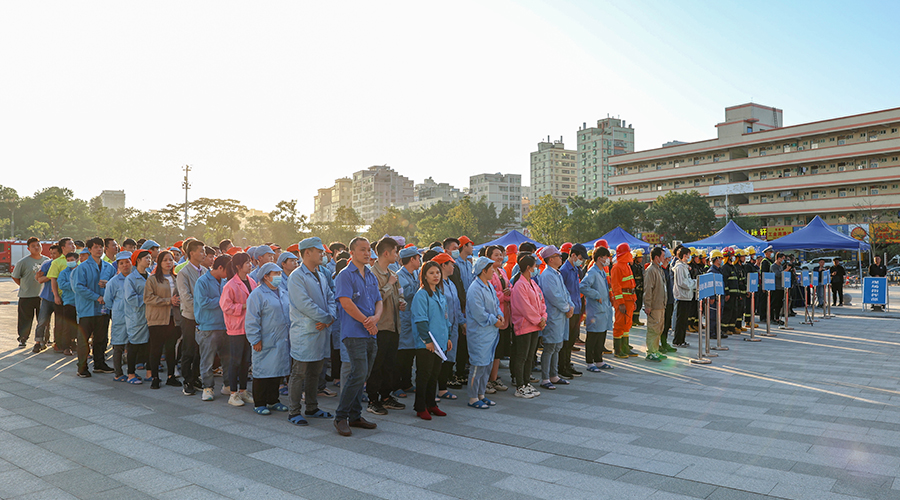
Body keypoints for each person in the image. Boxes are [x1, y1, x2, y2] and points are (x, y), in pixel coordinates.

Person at [333, 237, 382, 436]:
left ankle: (355, 415)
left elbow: (379, 301)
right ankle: (341, 417)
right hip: (354, 332)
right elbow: (346, 303)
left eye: (369, 249)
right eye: (362, 249)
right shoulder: (345, 275)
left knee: (364, 375)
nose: (367, 253)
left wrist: (375, 318)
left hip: (370, 331)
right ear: (352, 252)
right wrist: (366, 322)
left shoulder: (370, 275)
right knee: (358, 373)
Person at [287, 237, 337, 426]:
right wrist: (325, 318)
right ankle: (293, 411)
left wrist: (330, 317)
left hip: (321, 330)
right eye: (319, 251)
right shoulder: (297, 276)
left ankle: (311, 407)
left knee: (315, 372)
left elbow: (331, 297)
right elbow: (304, 304)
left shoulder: (320, 275)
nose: (323, 254)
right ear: (307, 252)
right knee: (299, 372)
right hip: (305, 332)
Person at [365, 237, 406, 416]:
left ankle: (386, 396)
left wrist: (402, 302)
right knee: (377, 365)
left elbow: (399, 295)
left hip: (393, 325)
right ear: (386, 253)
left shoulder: (392, 273)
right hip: (380, 327)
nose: (397, 255)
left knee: (390, 364)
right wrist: (389, 285)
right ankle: (372, 399)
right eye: (396, 252)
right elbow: (375, 299)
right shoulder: (371, 274)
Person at [245, 262, 292, 415]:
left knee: (277, 370)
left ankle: (273, 400)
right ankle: (259, 403)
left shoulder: (283, 292)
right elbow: (252, 319)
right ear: (266, 276)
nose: (279, 277)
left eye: (280, 274)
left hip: (281, 338)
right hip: (265, 339)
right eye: (275, 274)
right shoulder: (257, 294)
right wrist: (255, 339)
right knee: (262, 372)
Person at [410, 260, 452, 420]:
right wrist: (427, 340)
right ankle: (420, 407)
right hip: (427, 343)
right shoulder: (421, 295)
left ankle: (431, 404)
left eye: (438, 272)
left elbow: (445, 318)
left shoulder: (440, 294)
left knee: (434, 375)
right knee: (424, 375)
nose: (436, 276)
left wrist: (448, 337)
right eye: (431, 273)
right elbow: (420, 320)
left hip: (440, 341)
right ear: (424, 276)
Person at [71, 237, 116, 377]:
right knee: (83, 340)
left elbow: (115, 285)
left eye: (101, 247)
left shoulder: (109, 267)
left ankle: (99, 364)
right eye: (95, 247)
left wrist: (107, 285)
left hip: (103, 309)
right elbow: (78, 287)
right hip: (87, 309)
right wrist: (96, 297)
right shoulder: (82, 267)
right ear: (89, 249)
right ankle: (82, 367)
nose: (99, 249)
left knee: (101, 339)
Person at [465, 256, 503, 409]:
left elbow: (496, 304)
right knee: (478, 366)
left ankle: (481, 394)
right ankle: (473, 397)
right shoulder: (475, 288)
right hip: (480, 334)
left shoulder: (489, 285)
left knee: (487, 365)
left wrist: (500, 315)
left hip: (491, 333)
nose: (494, 271)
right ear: (483, 270)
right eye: (491, 269)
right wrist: (494, 320)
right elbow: (478, 313)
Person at [220, 252, 256, 406]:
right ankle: (233, 393)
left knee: (245, 362)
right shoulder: (230, 285)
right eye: (247, 263)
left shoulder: (251, 281)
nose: (250, 265)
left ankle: (243, 390)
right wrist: (243, 306)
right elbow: (225, 306)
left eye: (250, 262)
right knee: (235, 361)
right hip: (236, 328)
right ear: (238, 266)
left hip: (249, 327)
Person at [537, 245, 574, 390]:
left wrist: (570, 306)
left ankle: (554, 375)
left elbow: (565, 293)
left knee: (557, 345)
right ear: (551, 259)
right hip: (553, 316)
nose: (560, 258)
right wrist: (566, 308)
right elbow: (554, 296)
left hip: (561, 315)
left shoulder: (556, 274)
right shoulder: (547, 275)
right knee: (550, 347)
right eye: (558, 256)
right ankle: (545, 378)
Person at [144, 250, 182, 389]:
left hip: (173, 318)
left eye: (170, 260)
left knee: (171, 349)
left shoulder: (176, 278)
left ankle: (171, 376)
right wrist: (168, 301)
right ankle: (155, 377)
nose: (168, 262)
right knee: (156, 348)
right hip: (157, 318)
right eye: (165, 260)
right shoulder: (153, 279)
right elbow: (148, 298)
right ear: (159, 262)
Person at [194, 255, 231, 401]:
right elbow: (203, 302)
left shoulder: (225, 281)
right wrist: (224, 301)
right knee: (207, 360)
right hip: (208, 326)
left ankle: (228, 385)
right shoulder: (202, 281)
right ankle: (207, 387)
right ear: (220, 267)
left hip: (225, 325)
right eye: (228, 270)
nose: (229, 273)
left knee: (227, 359)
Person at [510, 255, 545, 397]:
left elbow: (541, 302)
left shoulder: (533, 283)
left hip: (535, 325)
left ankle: (526, 382)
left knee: (530, 356)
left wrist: (543, 317)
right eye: (535, 266)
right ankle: (520, 386)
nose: (536, 269)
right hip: (524, 326)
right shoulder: (519, 285)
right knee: (522, 356)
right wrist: (538, 319)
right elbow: (525, 307)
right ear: (528, 268)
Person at [176, 240, 207, 395]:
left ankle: (195, 377)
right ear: (192, 253)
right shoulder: (184, 273)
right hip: (190, 317)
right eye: (201, 251)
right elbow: (186, 298)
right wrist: (201, 310)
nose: (204, 254)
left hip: (204, 318)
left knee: (200, 350)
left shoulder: (206, 271)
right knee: (189, 350)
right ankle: (187, 380)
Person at [12, 237, 49, 348]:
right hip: (26, 296)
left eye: (38, 245)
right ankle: (23, 338)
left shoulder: (47, 261)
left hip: (42, 296)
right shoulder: (23, 262)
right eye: (33, 246)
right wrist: (23, 286)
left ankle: (44, 339)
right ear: (28, 249)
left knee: (43, 320)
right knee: (25, 319)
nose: (36, 248)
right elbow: (15, 276)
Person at [580, 248, 614, 371]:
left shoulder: (602, 271)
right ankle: (590, 362)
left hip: (603, 309)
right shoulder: (593, 272)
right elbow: (583, 286)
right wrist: (596, 295)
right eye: (606, 257)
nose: (608, 260)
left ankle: (599, 360)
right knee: (593, 336)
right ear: (599, 258)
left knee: (601, 335)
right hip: (595, 310)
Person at [433, 252, 461, 401]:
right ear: (443, 265)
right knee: (439, 358)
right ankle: (436, 389)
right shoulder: (437, 285)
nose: (453, 267)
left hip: (453, 326)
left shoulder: (451, 284)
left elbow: (456, 305)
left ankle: (443, 388)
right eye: (451, 264)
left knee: (450, 357)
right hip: (441, 327)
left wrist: (461, 321)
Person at [395, 246, 421, 398]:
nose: (419, 261)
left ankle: (407, 383)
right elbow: (405, 294)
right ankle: (396, 385)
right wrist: (419, 285)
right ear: (412, 259)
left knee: (410, 353)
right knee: (402, 354)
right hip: (404, 319)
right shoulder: (400, 276)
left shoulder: (414, 274)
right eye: (418, 258)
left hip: (412, 318)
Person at [486, 245, 512, 393]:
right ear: (489, 257)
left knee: (499, 350)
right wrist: (505, 296)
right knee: (491, 350)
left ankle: (494, 378)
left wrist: (509, 292)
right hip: (494, 315)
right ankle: (487, 380)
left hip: (505, 315)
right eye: (496, 255)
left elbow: (509, 287)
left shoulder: (502, 271)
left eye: (501, 254)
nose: (500, 257)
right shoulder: (487, 273)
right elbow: (491, 295)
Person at [103, 251, 132, 381]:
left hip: (135, 317)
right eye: (121, 263)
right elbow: (107, 300)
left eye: (127, 262)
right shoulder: (113, 282)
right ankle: (118, 373)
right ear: (118, 266)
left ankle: (131, 372)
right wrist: (118, 309)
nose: (125, 265)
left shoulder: (137, 278)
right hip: (120, 317)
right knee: (118, 345)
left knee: (132, 345)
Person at [559, 243, 587, 378]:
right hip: (568, 311)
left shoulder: (576, 269)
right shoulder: (564, 270)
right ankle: (562, 366)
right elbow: (562, 292)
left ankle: (567, 363)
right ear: (573, 255)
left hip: (577, 309)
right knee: (565, 340)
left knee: (571, 340)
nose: (581, 261)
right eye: (580, 258)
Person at [124, 250, 152, 384]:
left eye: (150, 258)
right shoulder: (130, 279)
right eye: (146, 258)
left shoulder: (150, 276)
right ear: (138, 260)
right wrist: (148, 298)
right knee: (134, 345)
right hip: (136, 316)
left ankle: (149, 373)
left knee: (149, 344)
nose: (149, 260)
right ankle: (131, 374)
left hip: (150, 316)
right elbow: (130, 298)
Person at [610, 243, 638, 358]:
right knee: (619, 324)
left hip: (629, 300)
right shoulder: (617, 267)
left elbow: (631, 285)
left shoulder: (626, 266)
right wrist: (621, 303)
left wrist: (634, 300)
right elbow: (616, 287)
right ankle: (618, 350)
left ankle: (625, 347)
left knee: (627, 324)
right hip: (623, 301)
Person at [33, 244, 61, 352]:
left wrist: (47, 277)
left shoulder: (63, 264)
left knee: (59, 323)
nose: (52, 256)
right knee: (42, 321)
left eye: (55, 253)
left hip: (59, 298)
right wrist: (53, 275)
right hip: (46, 297)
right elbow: (39, 279)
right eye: (51, 253)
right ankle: (39, 342)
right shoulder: (47, 264)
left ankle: (57, 342)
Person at [643, 247, 668, 362]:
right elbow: (648, 289)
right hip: (654, 306)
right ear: (656, 257)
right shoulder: (651, 270)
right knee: (653, 329)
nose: (664, 259)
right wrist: (647, 305)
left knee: (659, 329)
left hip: (661, 305)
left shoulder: (659, 269)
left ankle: (656, 350)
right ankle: (651, 352)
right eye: (662, 256)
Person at [55, 252, 79, 358]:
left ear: (77, 260)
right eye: (68, 260)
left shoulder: (82, 271)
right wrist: (76, 284)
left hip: (81, 303)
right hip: (69, 302)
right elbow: (61, 285)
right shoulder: (64, 273)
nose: (69, 262)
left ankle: (75, 343)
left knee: (79, 325)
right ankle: (66, 347)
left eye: (72, 260)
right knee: (67, 326)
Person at [630, 249, 645, 326]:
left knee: (639, 304)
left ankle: (636, 319)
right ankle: (632, 320)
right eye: (640, 257)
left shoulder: (639, 266)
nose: (641, 258)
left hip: (640, 289)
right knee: (634, 305)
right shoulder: (632, 267)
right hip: (635, 289)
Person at [770, 253, 785, 324]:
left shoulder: (781, 266)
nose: (783, 260)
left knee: (779, 304)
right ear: (779, 258)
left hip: (781, 287)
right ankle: (772, 318)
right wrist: (786, 270)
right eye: (783, 259)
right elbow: (778, 274)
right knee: (774, 304)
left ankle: (777, 318)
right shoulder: (773, 266)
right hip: (775, 288)